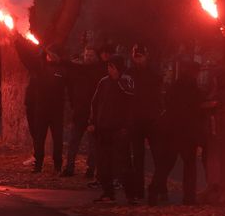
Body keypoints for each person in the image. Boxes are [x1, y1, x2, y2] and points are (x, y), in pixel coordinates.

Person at [151, 60, 213, 205]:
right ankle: (189, 197)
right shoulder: (193, 89)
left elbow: (167, 102)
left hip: (171, 131)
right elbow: (198, 106)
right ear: (194, 73)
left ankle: (154, 191)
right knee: (190, 165)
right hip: (187, 132)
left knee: (165, 164)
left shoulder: (175, 86)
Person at [89, 55, 138, 204]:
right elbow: (95, 103)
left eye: (112, 67)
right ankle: (108, 192)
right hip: (103, 129)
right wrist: (92, 122)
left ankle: (130, 195)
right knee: (104, 163)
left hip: (119, 130)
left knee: (124, 164)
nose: (109, 69)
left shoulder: (125, 82)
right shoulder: (103, 83)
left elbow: (131, 106)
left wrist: (126, 127)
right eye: (108, 67)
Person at [18, 39, 67, 173]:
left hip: (57, 110)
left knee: (58, 139)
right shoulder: (40, 67)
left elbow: (69, 89)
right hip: (41, 109)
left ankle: (58, 165)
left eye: (52, 54)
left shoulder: (63, 69)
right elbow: (26, 59)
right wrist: (18, 42)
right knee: (39, 138)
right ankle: (38, 163)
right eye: (47, 54)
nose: (48, 56)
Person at [63, 46, 108, 180]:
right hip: (79, 111)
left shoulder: (99, 71)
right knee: (73, 141)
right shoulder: (78, 71)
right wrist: (73, 104)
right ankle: (69, 167)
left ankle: (90, 169)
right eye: (86, 55)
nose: (88, 57)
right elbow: (71, 88)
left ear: (96, 57)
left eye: (91, 55)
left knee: (92, 144)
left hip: (93, 114)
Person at [128, 44, 162, 202]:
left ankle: (158, 188)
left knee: (157, 156)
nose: (138, 59)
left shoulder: (152, 72)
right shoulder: (131, 73)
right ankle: (139, 191)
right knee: (139, 157)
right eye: (136, 56)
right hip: (137, 119)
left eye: (140, 56)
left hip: (150, 119)